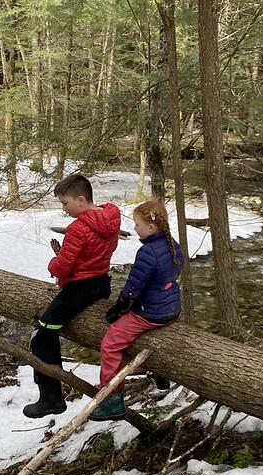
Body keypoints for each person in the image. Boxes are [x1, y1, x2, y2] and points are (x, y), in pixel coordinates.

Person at [24, 173, 121, 418]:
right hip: (101, 283)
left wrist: (53, 262)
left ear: (80, 200)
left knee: (42, 335)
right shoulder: (111, 215)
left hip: (79, 290)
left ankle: (51, 398)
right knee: (48, 331)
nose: (64, 209)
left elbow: (63, 267)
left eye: (65, 203)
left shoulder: (78, 228)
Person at [89, 199, 184, 421]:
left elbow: (133, 289)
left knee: (110, 344)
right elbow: (174, 273)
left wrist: (120, 306)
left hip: (151, 313)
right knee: (151, 340)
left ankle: (113, 400)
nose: (134, 229)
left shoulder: (148, 252)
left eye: (137, 225)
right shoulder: (172, 244)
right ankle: (160, 375)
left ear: (151, 228)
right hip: (172, 308)